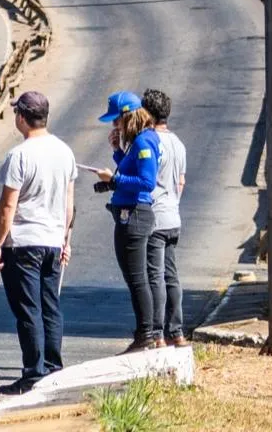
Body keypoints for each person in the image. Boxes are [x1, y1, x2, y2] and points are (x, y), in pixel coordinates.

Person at [0, 91, 77, 395]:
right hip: (53, 241)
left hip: (23, 243)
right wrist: (65, 237)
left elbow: (7, 206)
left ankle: (33, 372)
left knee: (29, 309)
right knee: (51, 306)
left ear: (22, 117)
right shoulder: (65, 152)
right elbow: (69, 201)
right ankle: (53, 368)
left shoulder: (20, 155)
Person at [94, 91, 161, 354]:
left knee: (137, 278)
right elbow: (130, 169)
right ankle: (147, 332)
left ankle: (146, 333)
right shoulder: (136, 143)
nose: (114, 126)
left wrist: (115, 179)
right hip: (128, 212)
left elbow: (146, 182)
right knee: (134, 277)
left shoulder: (144, 142)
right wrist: (117, 153)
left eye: (116, 121)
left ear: (127, 117)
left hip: (135, 214)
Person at [142, 89, 187, 347]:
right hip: (173, 216)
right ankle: (176, 331)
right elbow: (181, 181)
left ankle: (157, 333)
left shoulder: (150, 142)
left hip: (155, 217)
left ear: (147, 114)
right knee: (171, 276)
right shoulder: (178, 143)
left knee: (155, 276)